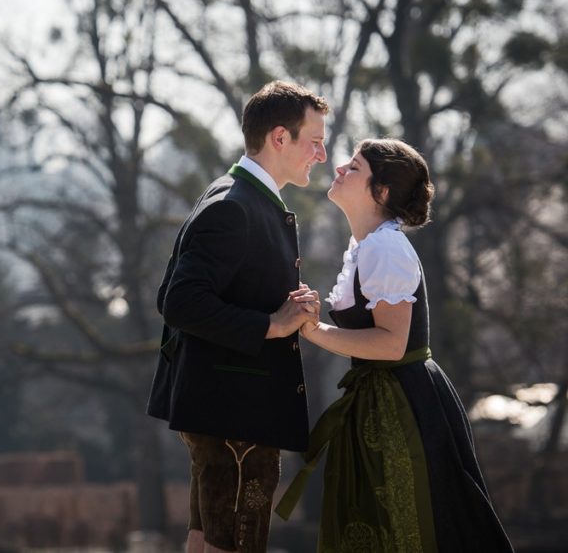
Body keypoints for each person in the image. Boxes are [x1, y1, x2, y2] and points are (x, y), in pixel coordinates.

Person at [275, 138, 514, 552]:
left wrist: (313, 331)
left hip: (404, 406)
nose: (338, 170)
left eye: (353, 168)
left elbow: (391, 345)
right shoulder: (368, 246)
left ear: (381, 192)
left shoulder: (385, 248)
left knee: (414, 525)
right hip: (383, 400)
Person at [147, 80, 329, 553]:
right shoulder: (233, 206)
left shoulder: (244, 198)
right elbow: (179, 300)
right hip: (235, 421)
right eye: (315, 141)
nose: (322, 154)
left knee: (206, 543)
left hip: (229, 415)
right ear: (280, 138)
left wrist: (287, 309)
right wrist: (272, 324)